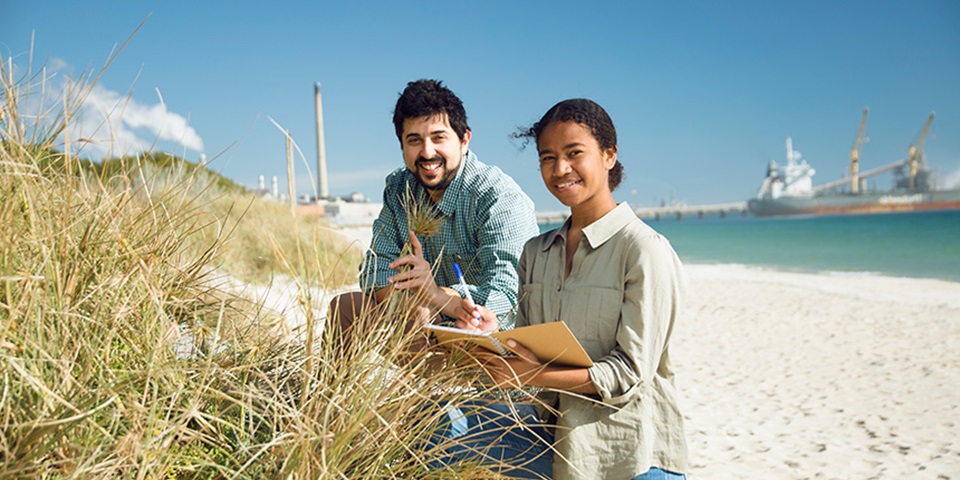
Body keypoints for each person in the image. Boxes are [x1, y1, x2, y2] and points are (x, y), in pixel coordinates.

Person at [446, 98, 689, 479]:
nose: (560, 169)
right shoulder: (536, 252)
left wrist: (528, 374)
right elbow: (534, 347)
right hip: (553, 444)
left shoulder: (643, 249)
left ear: (609, 155)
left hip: (631, 457)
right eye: (547, 158)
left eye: (574, 153)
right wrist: (493, 336)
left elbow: (628, 373)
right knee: (439, 428)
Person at [330, 79, 539, 348]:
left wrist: (439, 297)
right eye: (414, 140)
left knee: (426, 317)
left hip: (492, 336)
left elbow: (508, 297)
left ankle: (441, 389)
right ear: (402, 145)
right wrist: (421, 303)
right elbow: (374, 273)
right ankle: (342, 391)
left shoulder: (498, 195)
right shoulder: (400, 187)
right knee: (345, 307)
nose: (427, 152)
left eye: (439, 138)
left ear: (464, 140)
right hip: (430, 320)